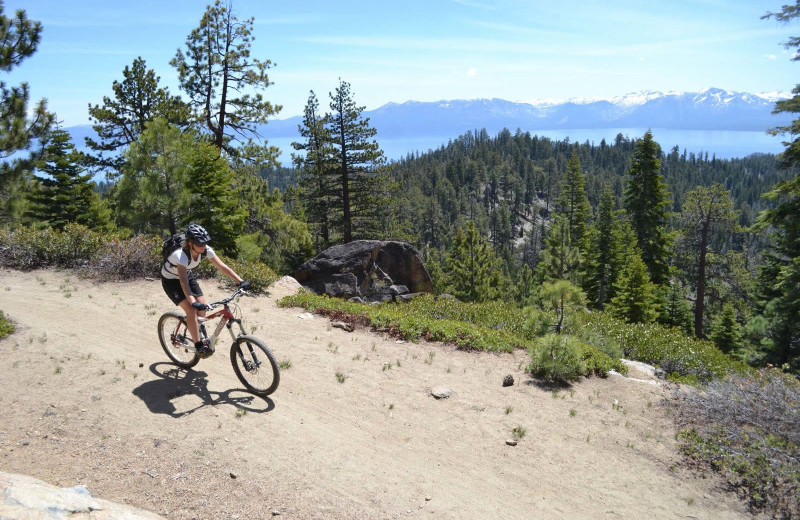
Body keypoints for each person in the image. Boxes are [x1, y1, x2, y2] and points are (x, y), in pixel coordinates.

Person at [161, 224, 250, 358]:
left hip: (186, 274)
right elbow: (183, 282)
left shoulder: (205, 250)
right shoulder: (181, 256)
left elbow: (222, 267)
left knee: (202, 304)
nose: (203, 246)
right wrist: (192, 301)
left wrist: (240, 281)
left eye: (205, 243)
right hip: (171, 280)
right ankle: (198, 345)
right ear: (190, 243)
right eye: (200, 243)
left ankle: (197, 327)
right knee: (191, 309)